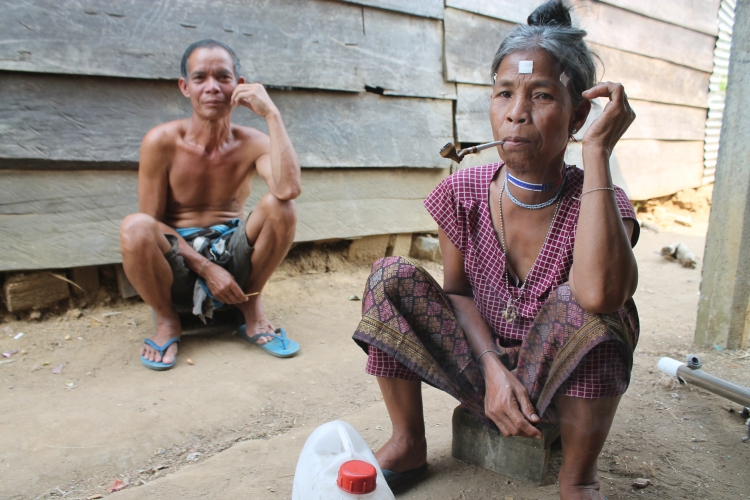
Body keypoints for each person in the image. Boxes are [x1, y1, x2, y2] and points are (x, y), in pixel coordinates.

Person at [352, 1, 639, 498]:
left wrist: (597, 152)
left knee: (596, 309)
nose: (516, 113)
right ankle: (408, 442)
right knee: (390, 277)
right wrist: (491, 369)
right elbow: (457, 292)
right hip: (480, 366)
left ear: (580, 114)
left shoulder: (600, 203)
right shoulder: (464, 191)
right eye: (504, 93)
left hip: (559, 372)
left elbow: (601, 294)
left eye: (542, 95)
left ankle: (578, 478)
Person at [120, 39, 302, 370]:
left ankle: (251, 307)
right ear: (184, 87)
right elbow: (152, 223)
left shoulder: (253, 143)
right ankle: (167, 321)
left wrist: (272, 114)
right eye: (200, 77)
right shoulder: (161, 142)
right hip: (179, 264)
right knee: (135, 226)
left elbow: (288, 189)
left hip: (234, 258)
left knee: (282, 207)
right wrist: (206, 267)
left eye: (223, 76)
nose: (212, 87)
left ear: (240, 86)